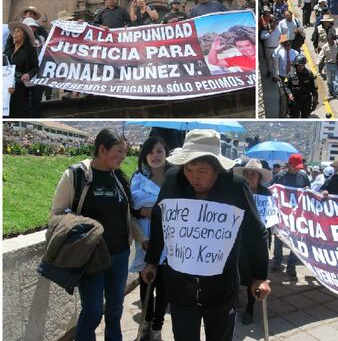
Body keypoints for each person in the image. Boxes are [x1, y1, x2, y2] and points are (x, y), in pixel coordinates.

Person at [141, 130, 269, 341]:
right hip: (181, 287)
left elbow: (256, 233)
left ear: (217, 169)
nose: (194, 178)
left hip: (221, 288)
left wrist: (259, 276)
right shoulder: (173, 180)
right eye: (189, 170)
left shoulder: (236, 186)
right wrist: (152, 261)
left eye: (202, 171)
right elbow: (160, 220)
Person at [50, 129, 144, 340]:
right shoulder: (76, 175)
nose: (123, 157)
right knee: (92, 310)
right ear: (102, 149)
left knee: (115, 307)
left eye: (125, 152)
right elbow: (56, 215)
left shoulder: (119, 178)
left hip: (119, 255)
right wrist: (81, 226)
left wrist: (142, 239)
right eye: (119, 151)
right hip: (90, 257)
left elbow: (128, 217)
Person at [129, 137, 170, 341]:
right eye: (151, 152)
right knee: (146, 286)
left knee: (164, 290)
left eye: (159, 151)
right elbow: (134, 208)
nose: (155, 156)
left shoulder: (175, 178)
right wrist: (152, 211)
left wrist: (151, 210)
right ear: (145, 155)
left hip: (170, 244)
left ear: (166, 153)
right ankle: (145, 324)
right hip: (147, 242)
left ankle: (157, 328)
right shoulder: (138, 178)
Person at [233, 159, 272, 325]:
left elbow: (273, 214)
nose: (249, 176)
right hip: (238, 239)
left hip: (258, 241)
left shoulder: (267, 194)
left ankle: (250, 308)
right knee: (234, 271)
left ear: (259, 177)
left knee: (254, 276)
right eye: (246, 173)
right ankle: (233, 302)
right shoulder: (237, 190)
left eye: (253, 173)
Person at [270, 153, 310, 278]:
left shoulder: (303, 177)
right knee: (279, 238)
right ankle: (277, 261)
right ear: (289, 165)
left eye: (299, 167)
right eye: (295, 166)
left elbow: (309, 191)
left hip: (297, 215)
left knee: (295, 241)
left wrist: (308, 190)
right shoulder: (279, 176)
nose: (297, 169)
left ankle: (291, 266)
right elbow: (270, 189)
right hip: (281, 214)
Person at [4, 20, 38, 117]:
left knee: (18, 110)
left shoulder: (30, 50)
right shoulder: (8, 49)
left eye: (18, 31)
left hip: (21, 85)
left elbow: (36, 68)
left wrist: (28, 74)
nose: (15, 33)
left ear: (24, 35)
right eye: (14, 31)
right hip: (7, 85)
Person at [318, 32, 338, 99]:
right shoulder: (325, 46)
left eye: (330, 40)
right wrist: (317, 62)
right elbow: (321, 55)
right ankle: (331, 91)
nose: (329, 41)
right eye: (328, 40)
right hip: (328, 65)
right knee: (329, 80)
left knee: (337, 79)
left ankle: (336, 93)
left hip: (336, 65)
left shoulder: (337, 45)